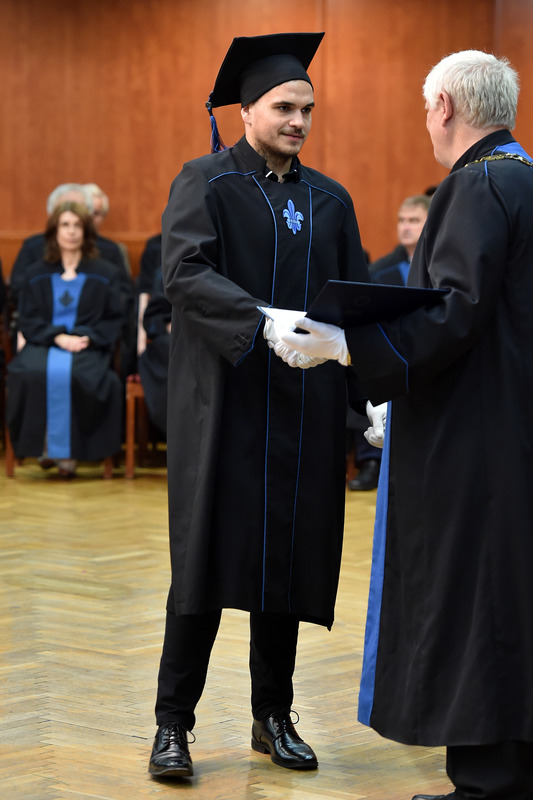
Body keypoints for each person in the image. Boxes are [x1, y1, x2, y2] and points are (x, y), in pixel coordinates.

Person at [278, 50, 533, 799]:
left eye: (426, 109)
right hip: (512, 419)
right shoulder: (524, 176)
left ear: (445, 107)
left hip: (471, 433)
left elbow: (453, 309)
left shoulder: (474, 184)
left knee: (473, 595)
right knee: (511, 593)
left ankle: (487, 783)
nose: (426, 122)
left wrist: (351, 347)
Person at [149, 31, 370, 779]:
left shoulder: (329, 200)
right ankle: (172, 724)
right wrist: (258, 319)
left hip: (304, 408)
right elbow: (183, 271)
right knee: (203, 564)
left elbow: (353, 302)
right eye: (284, 107)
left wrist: (368, 388)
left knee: (286, 563)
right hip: (226, 406)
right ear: (246, 111)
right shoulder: (206, 183)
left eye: (307, 109)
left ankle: (272, 715)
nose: (298, 121)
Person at [7, 201, 124, 477]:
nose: (71, 232)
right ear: (54, 231)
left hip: (87, 345)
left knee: (88, 377)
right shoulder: (35, 273)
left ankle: (71, 452)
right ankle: (46, 446)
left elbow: (114, 319)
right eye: (65, 225)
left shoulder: (106, 273)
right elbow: (27, 318)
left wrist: (86, 338)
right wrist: (58, 337)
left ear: (86, 232)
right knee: (29, 373)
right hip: (44, 342)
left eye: (77, 226)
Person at [347, 194, 431, 491]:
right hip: (390, 353)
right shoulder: (380, 272)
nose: (405, 227)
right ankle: (371, 460)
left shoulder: (445, 266)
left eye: (414, 220)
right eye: (401, 220)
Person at [137, 269, 171, 437]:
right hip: (172, 342)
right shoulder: (171, 270)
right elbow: (152, 318)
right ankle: (176, 433)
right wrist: (168, 325)